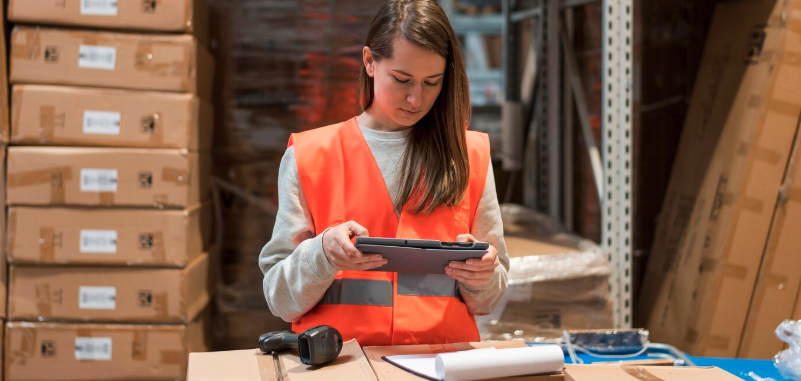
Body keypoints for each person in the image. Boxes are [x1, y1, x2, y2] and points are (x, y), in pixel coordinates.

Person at [259, 0, 509, 347]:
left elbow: (489, 301)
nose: (415, 98)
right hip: (343, 367)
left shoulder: (470, 156)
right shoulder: (310, 155)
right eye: (402, 79)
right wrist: (323, 255)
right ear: (370, 62)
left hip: (440, 365)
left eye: (432, 82)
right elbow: (280, 300)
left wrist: (481, 277)